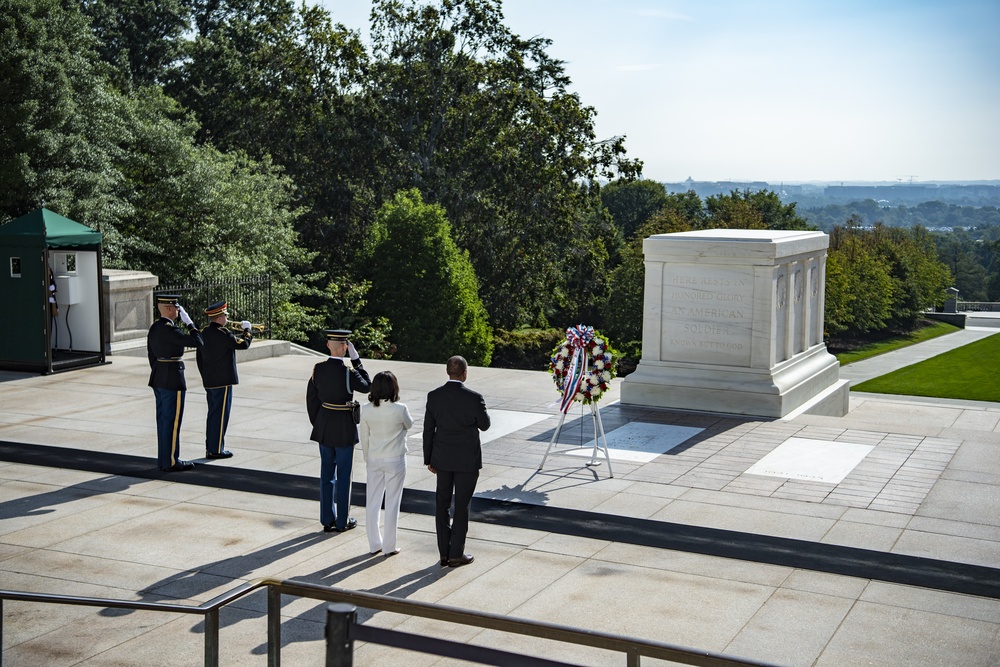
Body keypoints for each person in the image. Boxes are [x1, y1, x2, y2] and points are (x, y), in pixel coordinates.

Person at [423, 355, 491, 567]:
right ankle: (456, 553)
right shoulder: (474, 398)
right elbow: (485, 425)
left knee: (442, 504)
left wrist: (429, 459)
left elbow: (427, 431)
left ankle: (444, 552)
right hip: (466, 460)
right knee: (461, 506)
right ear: (464, 374)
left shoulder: (434, 396)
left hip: (442, 459)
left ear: (448, 372)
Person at [306, 329, 371, 532]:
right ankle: (342, 521)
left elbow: (312, 400)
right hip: (343, 427)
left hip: (324, 426)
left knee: (326, 474)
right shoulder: (348, 373)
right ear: (344, 347)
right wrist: (357, 360)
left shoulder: (318, 370)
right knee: (344, 476)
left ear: (327, 345)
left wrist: (319, 423)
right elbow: (367, 386)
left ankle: (327, 519)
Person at [147, 293, 204, 472]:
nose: (179, 311)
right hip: (173, 379)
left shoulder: (155, 328)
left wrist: (158, 370)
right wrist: (190, 324)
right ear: (169, 309)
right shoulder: (170, 330)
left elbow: (151, 355)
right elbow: (198, 342)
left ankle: (163, 460)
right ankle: (171, 460)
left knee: (163, 422)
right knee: (172, 423)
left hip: (158, 377)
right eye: (177, 308)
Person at [359, 371, 413, 556]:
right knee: (392, 503)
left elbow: (364, 438)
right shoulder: (400, 409)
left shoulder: (365, 409)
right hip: (395, 459)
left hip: (374, 458)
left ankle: (375, 544)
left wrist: (368, 458)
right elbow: (409, 424)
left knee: (372, 503)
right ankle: (389, 546)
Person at [196, 300, 253, 459]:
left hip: (210, 380)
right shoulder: (224, 333)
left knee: (213, 415)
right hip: (223, 381)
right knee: (221, 416)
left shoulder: (203, 333)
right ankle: (216, 450)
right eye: (225, 315)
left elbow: (199, 358)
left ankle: (211, 447)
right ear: (220, 318)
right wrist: (248, 330)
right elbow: (244, 344)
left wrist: (205, 376)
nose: (227, 318)